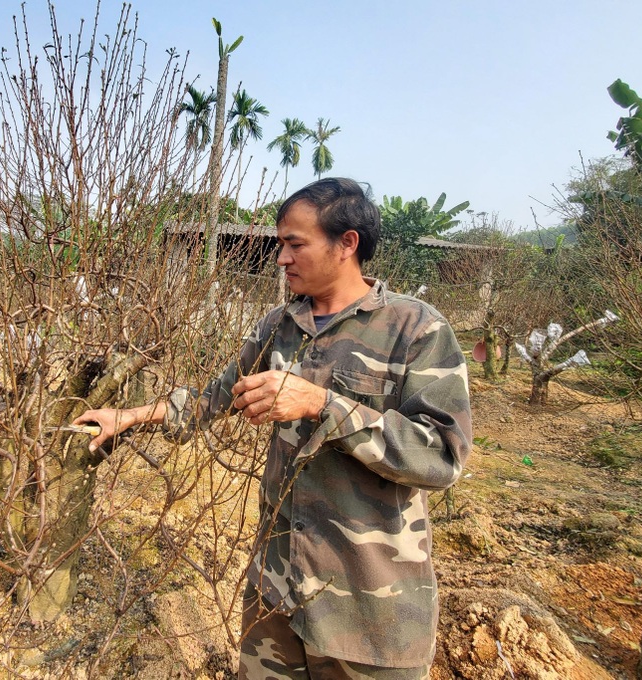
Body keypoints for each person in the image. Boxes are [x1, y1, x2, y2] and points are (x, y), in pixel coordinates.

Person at [75, 177, 472, 679]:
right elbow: (214, 397)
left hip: (369, 613)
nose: (281, 258)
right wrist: (130, 416)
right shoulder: (279, 325)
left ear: (346, 243)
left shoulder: (416, 329)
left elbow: (442, 456)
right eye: (280, 243)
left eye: (295, 244)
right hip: (276, 595)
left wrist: (322, 403)